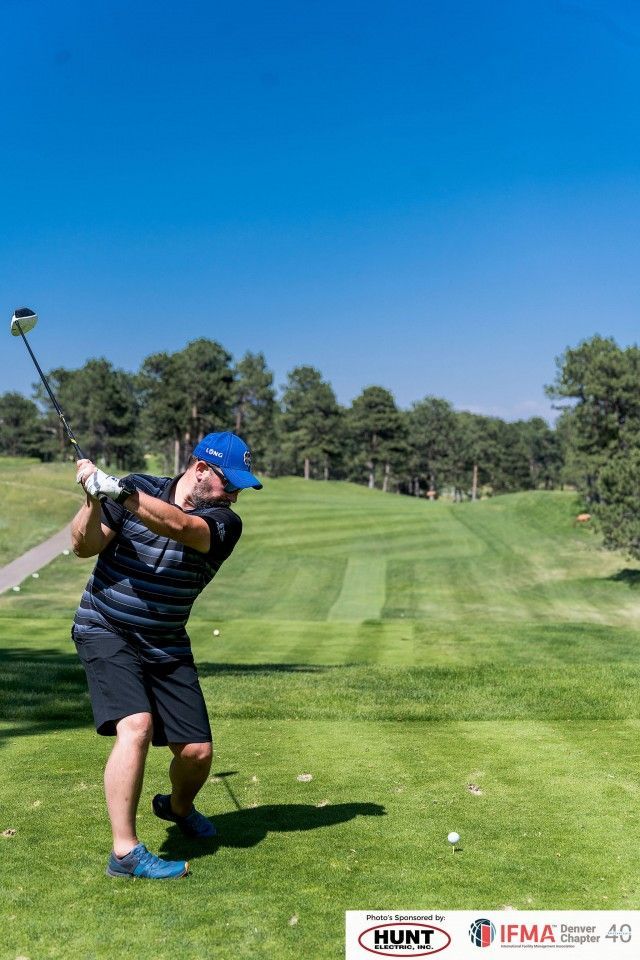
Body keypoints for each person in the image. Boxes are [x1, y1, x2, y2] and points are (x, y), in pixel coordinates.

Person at [71, 431, 262, 879]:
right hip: (105, 625)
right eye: (227, 483)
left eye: (238, 487)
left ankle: (177, 807)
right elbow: (82, 546)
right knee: (135, 725)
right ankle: (125, 853)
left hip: (165, 639)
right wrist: (94, 500)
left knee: (196, 753)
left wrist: (118, 490)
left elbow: (179, 526)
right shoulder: (140, 488)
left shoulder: (224, 522)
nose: (233, 494)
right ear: (199, 469)